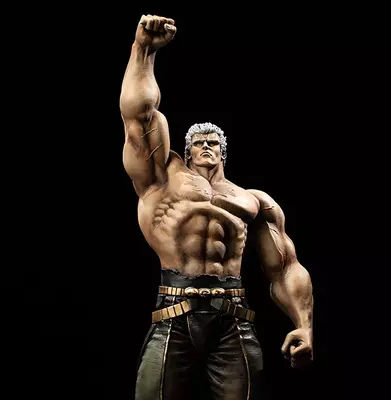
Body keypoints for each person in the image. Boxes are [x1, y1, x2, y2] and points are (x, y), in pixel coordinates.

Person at [120, 14, 314, 400]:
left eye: (213, 142)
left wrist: (304, 325)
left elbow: (285, 266)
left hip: (233, 318)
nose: (206, 146)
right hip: (174, 312)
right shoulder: (161, 179)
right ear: (187, 150)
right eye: (198, 142)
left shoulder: (253, 200)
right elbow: (137, 116)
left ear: (223, 152)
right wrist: (142, 51)